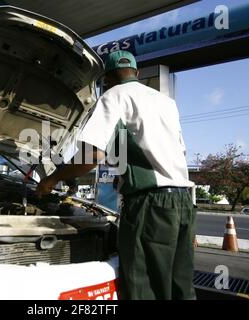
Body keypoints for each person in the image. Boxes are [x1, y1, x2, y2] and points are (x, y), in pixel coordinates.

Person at [36, 50, 196, 300]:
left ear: (106, 79)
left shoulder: (113, 96)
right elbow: (177, 151)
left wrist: (52, 179)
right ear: (137, 73)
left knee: (144, 287)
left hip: (149, 206)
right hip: (184, 203)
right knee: (180, 286)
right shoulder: (166, 102)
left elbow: (92, 156)